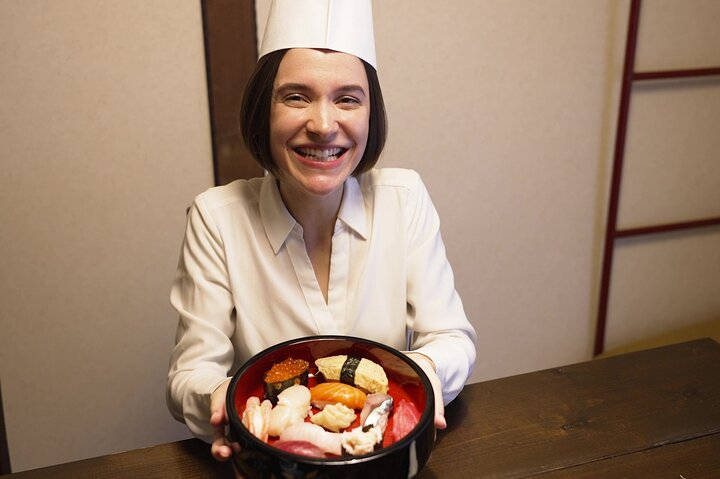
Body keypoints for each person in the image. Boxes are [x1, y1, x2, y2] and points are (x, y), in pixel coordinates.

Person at [166, 0, 476, 462]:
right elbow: (188, 375)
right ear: (263, 110)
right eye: (296, 96)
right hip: (275, 460)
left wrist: (428, 370)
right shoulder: (217, 218)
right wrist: (219, 396)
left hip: (382, 454)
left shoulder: (404, 197)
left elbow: (451, 337)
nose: (324, 125)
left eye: (347, 98)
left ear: (371, 114)